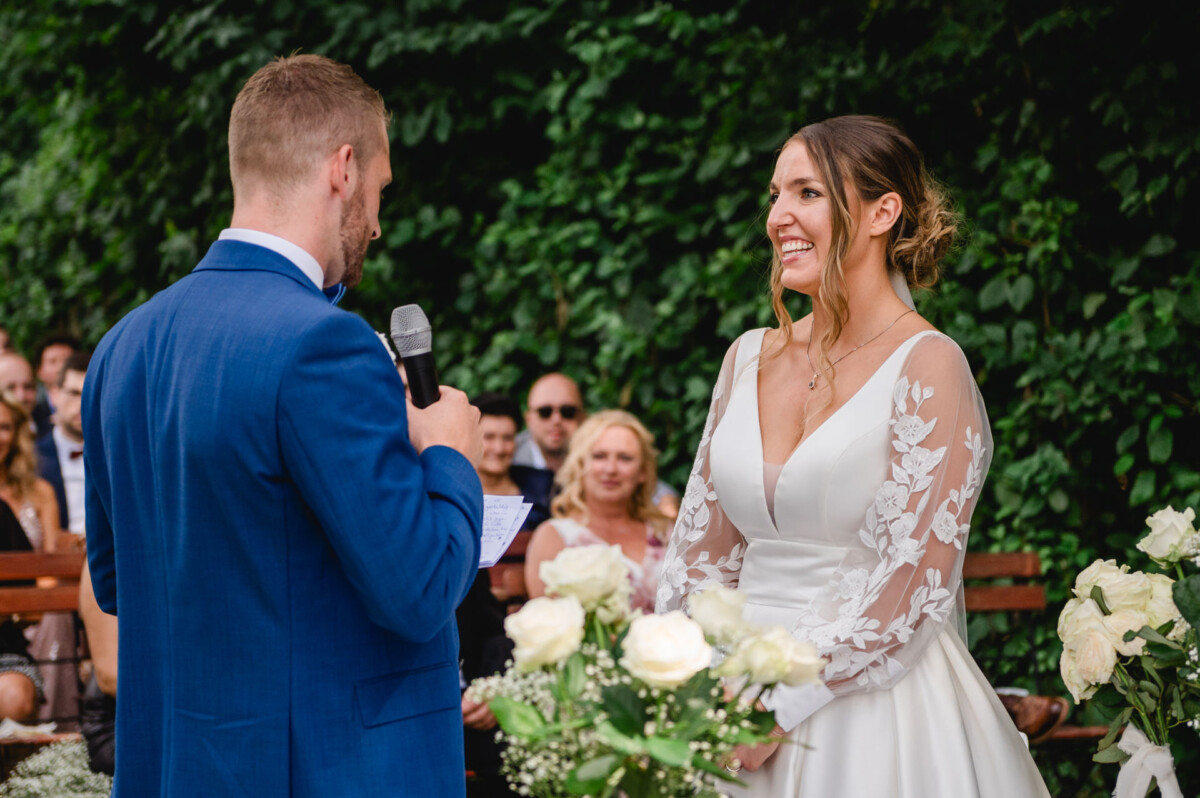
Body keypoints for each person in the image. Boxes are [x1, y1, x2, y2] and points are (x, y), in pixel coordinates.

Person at [82, 54, 483, 797]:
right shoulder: (325, 345)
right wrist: (449, 455)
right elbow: (419, 591)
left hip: (176, 769)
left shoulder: (121, 347)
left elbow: (116, 582)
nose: (381, 223)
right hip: (324, 770)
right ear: (343, 168)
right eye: (381, 189)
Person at [656, 116, 1049, 797]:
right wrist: (697, 678)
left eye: (806, 192)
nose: (779, 216)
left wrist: (780, 704)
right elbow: (701, 551)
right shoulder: (748, 356)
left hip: (867, 709)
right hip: (726, 692)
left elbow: (913, 576)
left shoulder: (929, 366)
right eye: (776, 195)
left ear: (881, 211)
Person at [525, 410, 670, 614]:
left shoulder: (666, 533)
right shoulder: (555, 536)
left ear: (643, 472)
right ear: (580, 465)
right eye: (599, 456)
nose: (611, 469)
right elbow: (548, 623)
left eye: (625, 458)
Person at [36, 350, 90, 547]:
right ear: (55, 394)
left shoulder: (121, 457)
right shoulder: (33, 458)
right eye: (74, 393)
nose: (82, 403)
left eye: (91, 394)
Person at [512, 373, 584, 474]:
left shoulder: (600, 459)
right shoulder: (506, 459)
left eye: (567, 412)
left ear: (582, 418)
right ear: (529, 419)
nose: (556, 420)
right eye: (545, 412)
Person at [31, 333, 79, 438]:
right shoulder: (33, 414)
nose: (61, 367)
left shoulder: (93, 407)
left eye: (67, 360)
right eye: (53, 361)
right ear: (39, 371)